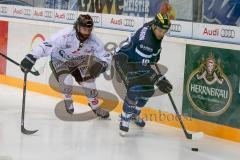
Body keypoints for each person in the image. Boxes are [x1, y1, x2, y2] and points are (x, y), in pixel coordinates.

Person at [20, 14, 111, 118]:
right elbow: (47, 44)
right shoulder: (65, 35)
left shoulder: (94, 41)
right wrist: (32, 57)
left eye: (89, 29)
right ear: (77, 27)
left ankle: (95, 107)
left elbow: (106, 55)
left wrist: (103, 64)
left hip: (79, 61)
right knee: (66, 80)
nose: (86, 32)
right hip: (59, 59)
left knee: (89, 82)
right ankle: (68, 98)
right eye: (83, 29)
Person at [114, 13, 173, 135]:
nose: (162, 34)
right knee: (135, 89)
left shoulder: (152, 26)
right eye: (160, 30)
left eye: (165, 31)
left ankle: (134, 114)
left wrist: (157, 77)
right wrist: (159, 78)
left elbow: (149, 62)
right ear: (154, 27)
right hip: (124, 60)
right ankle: (124, 119)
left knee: (149, 89)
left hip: (135, 59)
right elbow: (142, 66)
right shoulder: (147, 42)